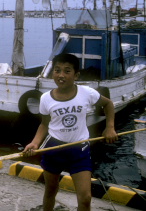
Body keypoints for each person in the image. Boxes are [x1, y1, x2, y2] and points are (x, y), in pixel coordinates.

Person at [23, 53, 117, 211]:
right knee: (51, 191)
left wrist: (110, 127)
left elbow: (108, 104)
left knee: (85, 198)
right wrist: (35, 143)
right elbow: (44, 125)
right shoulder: (46, 98)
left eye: (67, 71)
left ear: (76, 75)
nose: (61, 75)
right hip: (54, 147)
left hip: (79, 148)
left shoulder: (87, 92)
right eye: (57, 70)